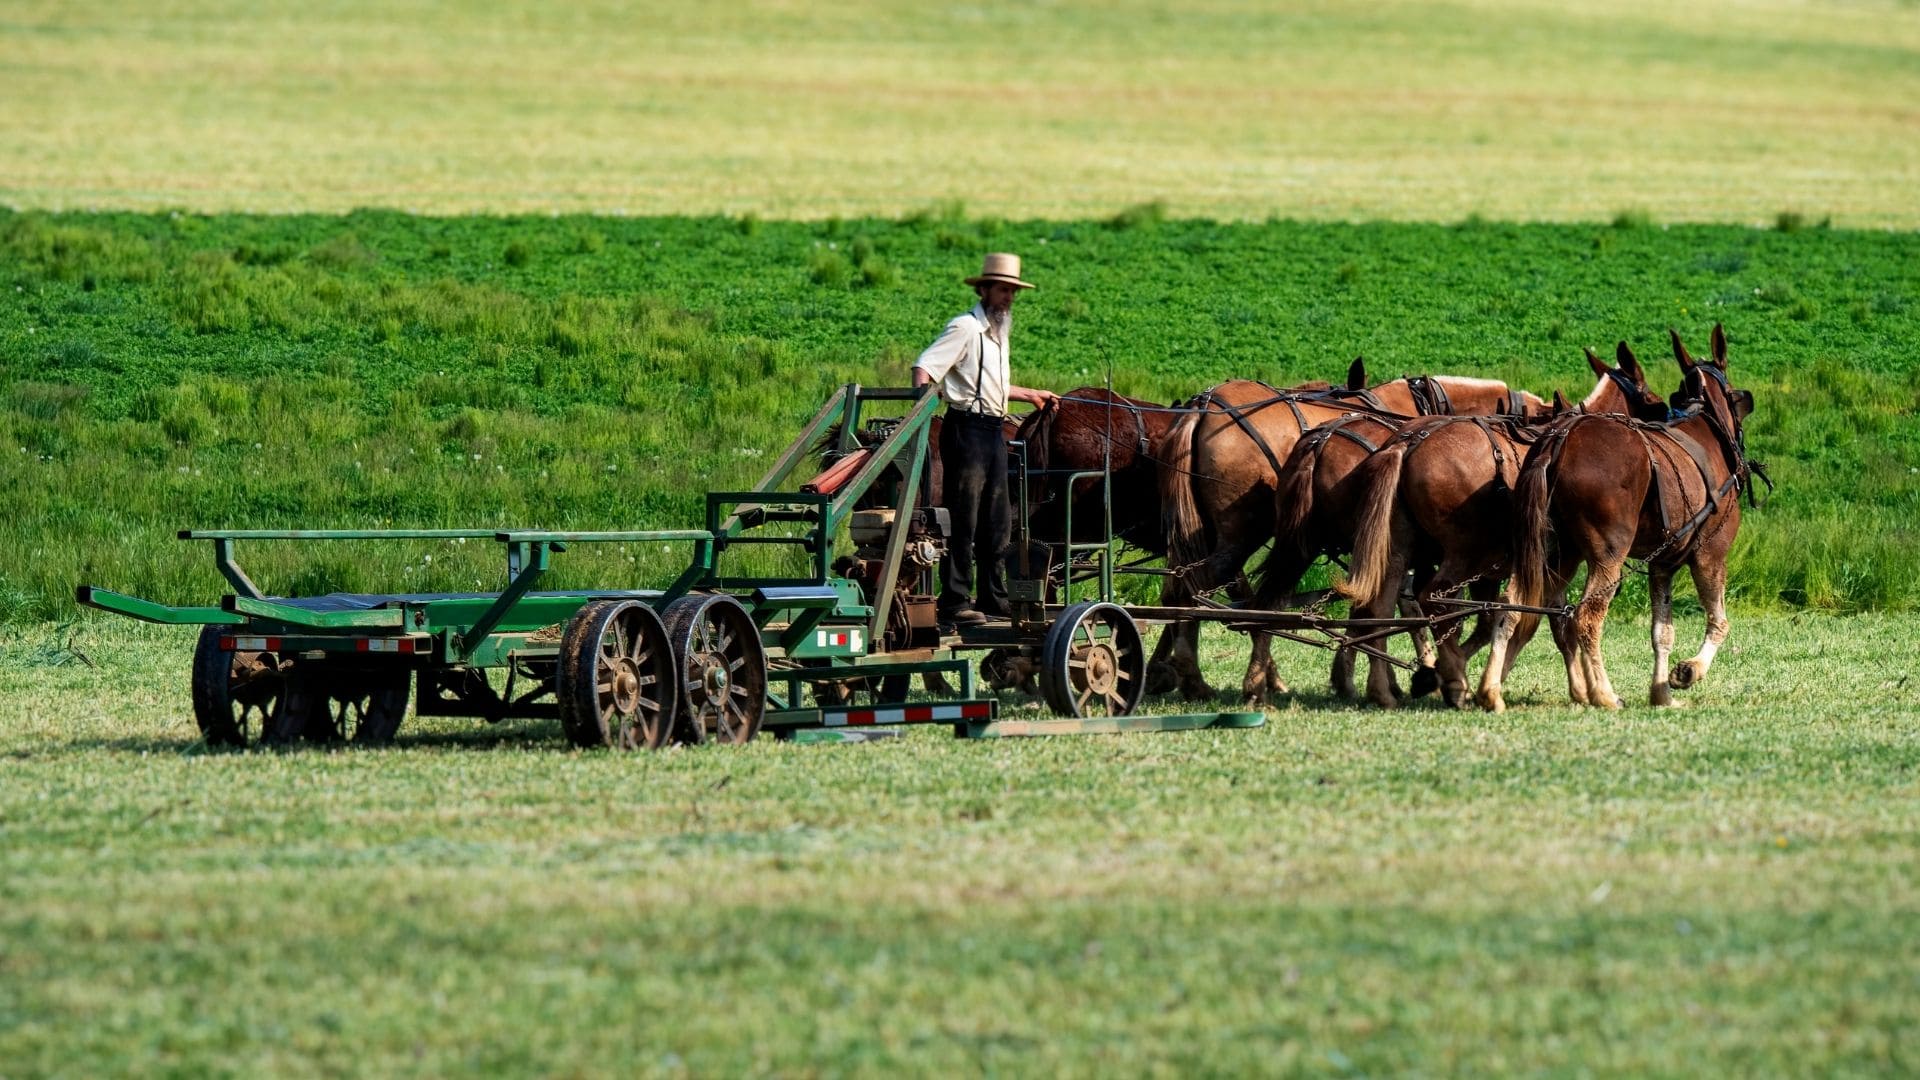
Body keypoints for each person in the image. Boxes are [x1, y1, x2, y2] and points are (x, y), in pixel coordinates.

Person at [912, 253, 1058, 627]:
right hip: (967, 430)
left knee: (998, 520)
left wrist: (1030, 394)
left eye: (1012, 291)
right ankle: (955, 601)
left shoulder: (997, 334)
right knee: (965, 517)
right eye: (1003, 290)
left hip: (993, 431)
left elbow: (990, 386)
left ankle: (993, 597)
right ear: (984, 290)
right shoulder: (965, 327)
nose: (1009, 298)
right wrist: (920, 408)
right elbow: (925, 366)